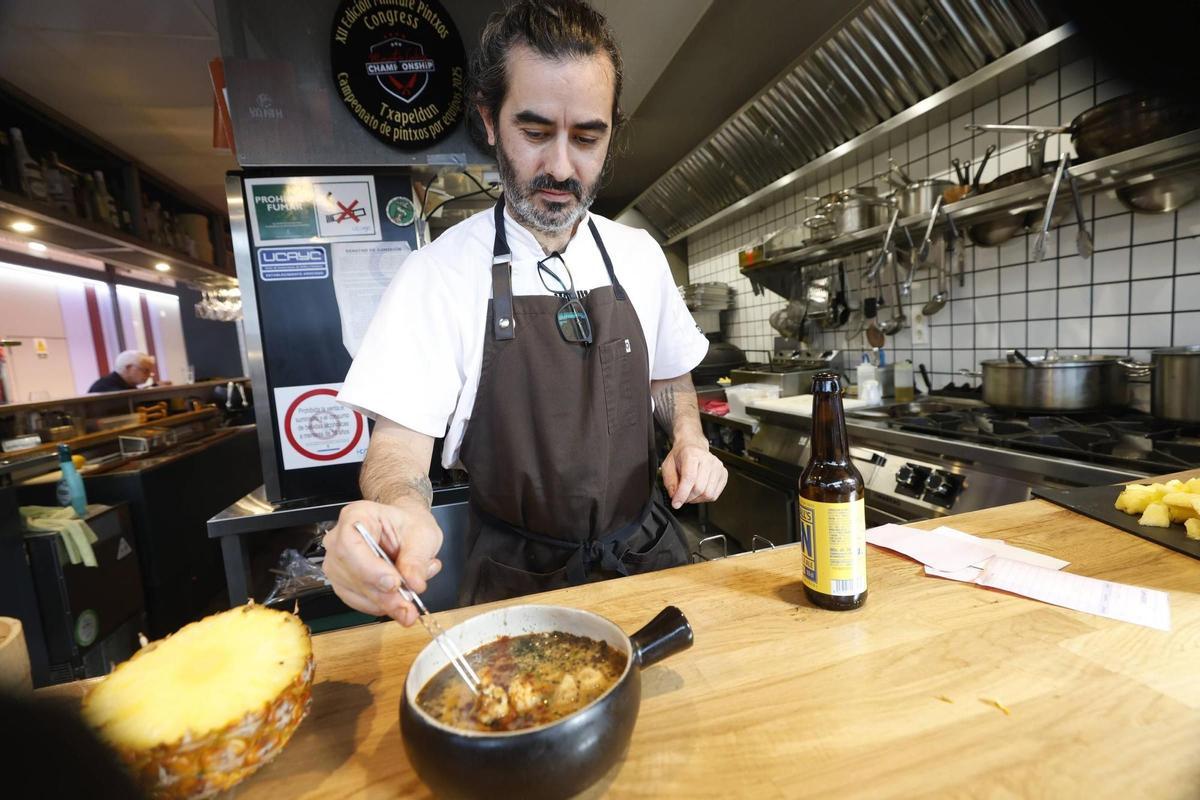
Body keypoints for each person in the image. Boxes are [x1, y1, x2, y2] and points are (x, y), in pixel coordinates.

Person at [325, 0, 727, 625]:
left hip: (650, 564)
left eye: (587, 137)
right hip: (519, 588)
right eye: (535, 133)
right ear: (490, 120)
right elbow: (397, 453)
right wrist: (401, 507)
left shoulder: (639, 256)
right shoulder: (436, 277)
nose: (562, 168)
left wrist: (689, 438)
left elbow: (670, 377)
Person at [88, 350, 156, 393]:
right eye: (145, 370)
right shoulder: (104, 387)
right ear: (128, 368)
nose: (149, 375)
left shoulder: (127, 385)